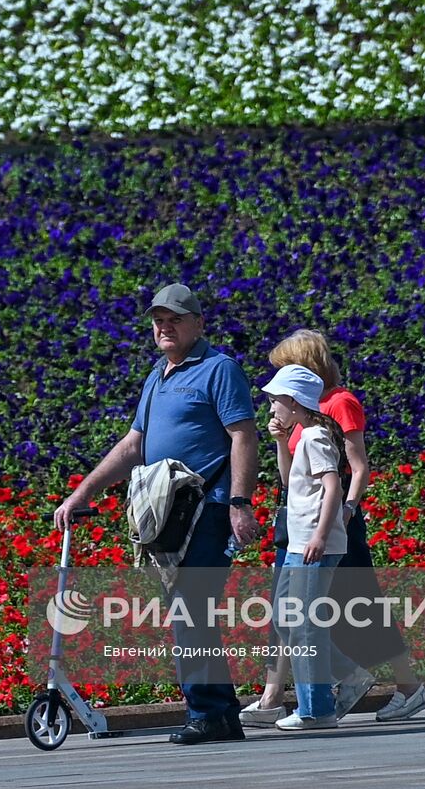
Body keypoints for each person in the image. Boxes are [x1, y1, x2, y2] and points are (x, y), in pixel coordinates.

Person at [55, 282, 260, 745]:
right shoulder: (158, 374)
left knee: (190, 609)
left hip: (205, 508)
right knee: (189, 611)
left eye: (176, 319)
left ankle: (208, 713)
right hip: (168, 513)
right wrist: (82, 493)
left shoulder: (219, 369)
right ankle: (220, 715)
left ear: (198, 324)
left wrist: (239, 503)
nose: (165, 327)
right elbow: (134, 444)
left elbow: (243, 437)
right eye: (159, 321)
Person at [241, 330, 425, 726]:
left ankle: (406, 686)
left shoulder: (337, 403)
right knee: (287, 610)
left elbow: (356, 468)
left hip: (331, 520)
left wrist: (344, 513)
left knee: (360, 605)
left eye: (285, 367)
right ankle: (274, 695)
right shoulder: (297, 414)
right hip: (299, 521)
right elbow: (290, 474)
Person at [259, 363, 357, 730]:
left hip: (313, 545)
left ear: (295, 401)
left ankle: (316, 709)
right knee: (288, 619)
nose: (271, 408)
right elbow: (288, 481)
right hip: (300, 545)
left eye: (276, 401)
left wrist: (319, 535)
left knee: (304, 625)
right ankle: (340, 681)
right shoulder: (303, 436)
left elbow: (333, 486)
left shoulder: (315, 437)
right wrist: (282, 441)